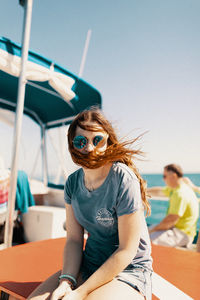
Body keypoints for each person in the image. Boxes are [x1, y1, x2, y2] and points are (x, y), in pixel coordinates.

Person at [28, 108, 152, 300]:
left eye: (97, 140)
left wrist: (81, 292)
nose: (90, 148)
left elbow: (127, 250)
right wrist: (66, 282)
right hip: (89, 263)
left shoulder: (123, 179)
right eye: (81, 141)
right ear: (72, 146)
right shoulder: (72, 183)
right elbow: (74, 240)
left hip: (128, 270)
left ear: (108, 142)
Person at [147, 164, 199, 248]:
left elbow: (171, 220)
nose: (163, 179)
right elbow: (160, 191)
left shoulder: (180, 193)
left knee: (147, 240)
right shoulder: (177, 188)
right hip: (175, 228)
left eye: (164, 176)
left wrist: (152, 230)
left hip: (182, 234)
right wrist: (144, 191)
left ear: (174, 176)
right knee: (145, 232)